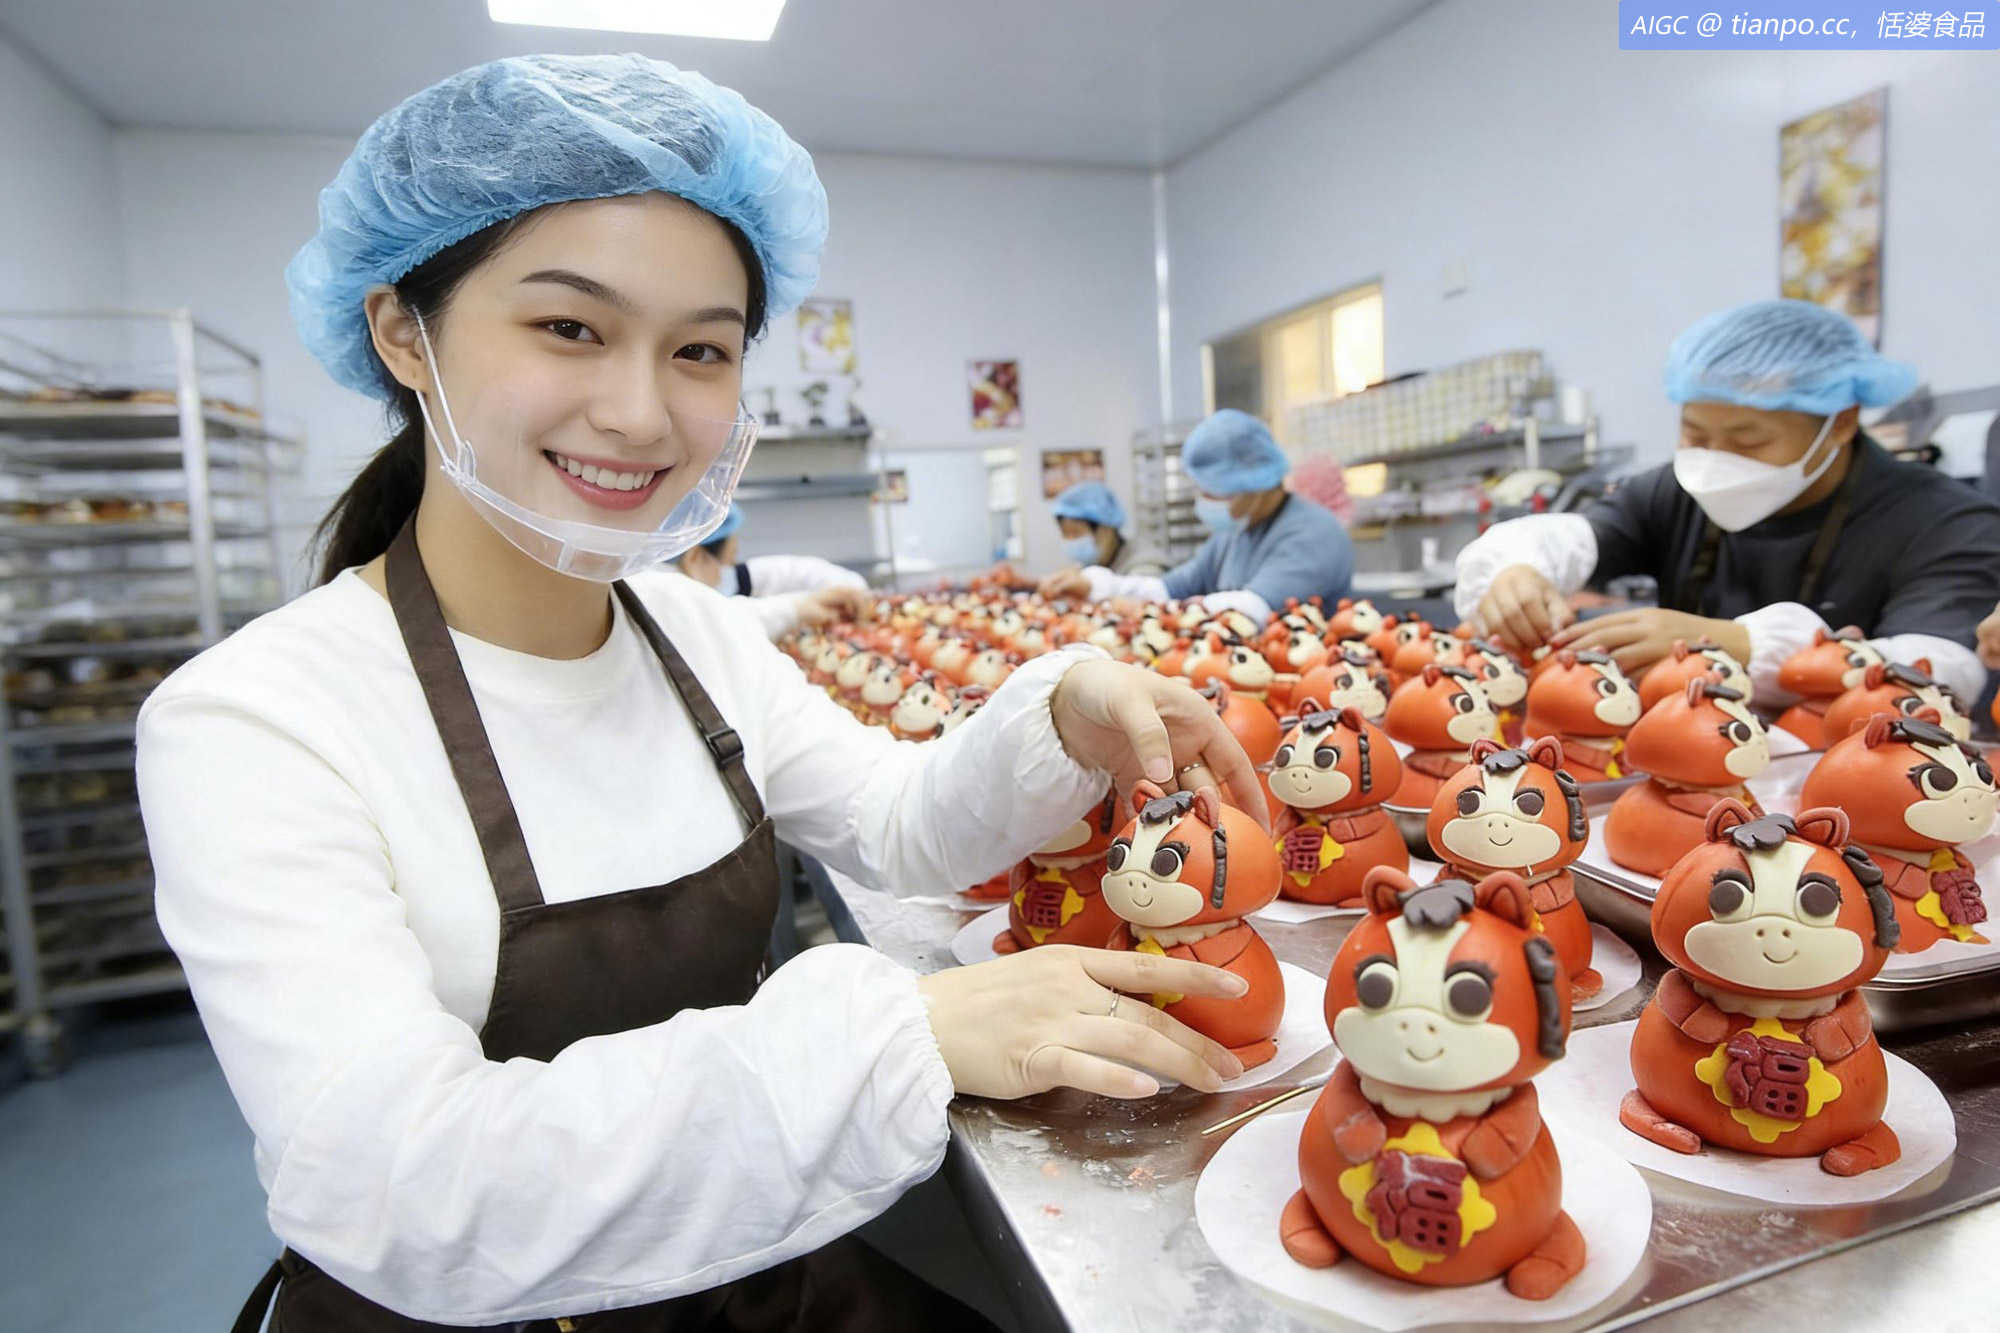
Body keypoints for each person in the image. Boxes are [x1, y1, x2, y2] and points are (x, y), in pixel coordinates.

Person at [136, 56, 1270, 1332]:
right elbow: (402, 1184)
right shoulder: (254, 721)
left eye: (699, 350)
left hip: (737, 1269)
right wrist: (893, 1035)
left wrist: (1052, 712)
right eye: (568, 326)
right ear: (405, 332)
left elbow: (898, 826)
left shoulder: (690, 634)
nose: (638, 410)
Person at [1455, 299, 2000, 704]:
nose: (1714, 459)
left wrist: (1739, 644)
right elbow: (1582, 535)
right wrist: (1516, 569)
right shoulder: (1676, 490)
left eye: (1749, 441)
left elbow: (1947, 670)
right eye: (1694, 433)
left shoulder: (1948, 522)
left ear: (1842, 422)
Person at [1073, 409, 1355, 621]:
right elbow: (1170, 588)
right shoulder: (1233, 536)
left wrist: (1158, 612)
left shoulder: (1315, 534)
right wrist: (1098, 585)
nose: (1204, 501)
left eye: (1216, 492)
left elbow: (1253, 608)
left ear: (1257, 484)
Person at [677, 502, 872, 638]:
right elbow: (722, 623)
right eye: (727, 562)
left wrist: (844, 590)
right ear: (694, 558)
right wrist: (796, 610)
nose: (729, 571)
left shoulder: (731, 579)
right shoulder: (676, 608)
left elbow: (792, 572)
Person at [1034, 480, 1169, 599]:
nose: (1070, 541)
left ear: (1106, 529)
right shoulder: (1092, 564)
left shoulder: (1146, 564)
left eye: (1075, 533)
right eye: (1065, 534)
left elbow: (1145, 601)